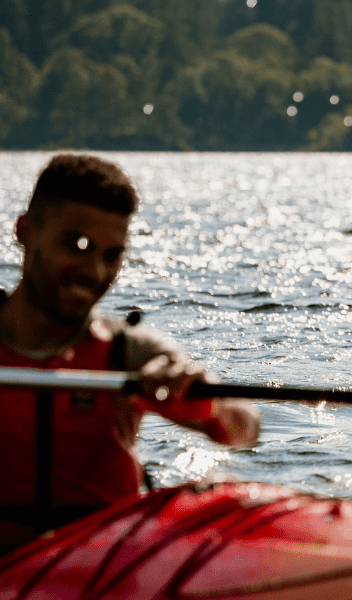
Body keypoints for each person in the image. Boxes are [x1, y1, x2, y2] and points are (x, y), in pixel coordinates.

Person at [0, 154, 261, 552]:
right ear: (26, 232)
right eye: (79, 246)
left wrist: (207, 405)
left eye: (112, 255)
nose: (96, 272)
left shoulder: (131, 352)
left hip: (101, 569)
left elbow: (247, 425)